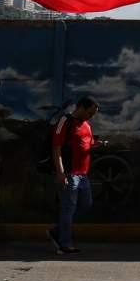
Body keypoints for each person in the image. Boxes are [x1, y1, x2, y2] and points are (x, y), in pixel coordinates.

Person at [47, 96, 98, 255]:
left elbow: (87, 145)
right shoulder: (65, 121)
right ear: (81, 107)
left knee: (86, 205)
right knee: (68, 208)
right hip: (69, 173)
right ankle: (65, 244)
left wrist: (97, 145)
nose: (91, 117)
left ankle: (57, 231)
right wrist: (60, 172)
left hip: (83, 175)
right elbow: (57, 148)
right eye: (90, 113)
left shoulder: (87, 126)